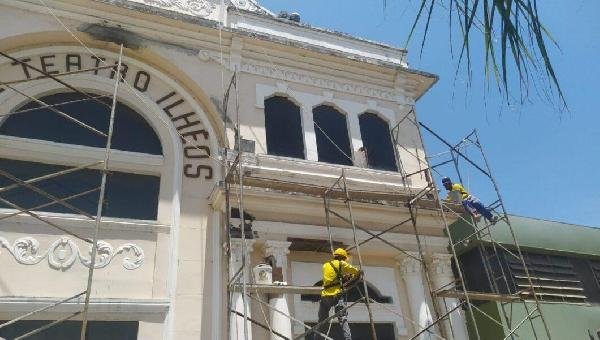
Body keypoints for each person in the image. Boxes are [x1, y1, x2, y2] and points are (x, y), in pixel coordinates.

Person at [316, 248, 361, 340]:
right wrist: (349, 277)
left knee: (322, 321)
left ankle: (318, 338)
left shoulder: (325, 265)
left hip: (325, 296)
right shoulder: (342, 264)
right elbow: (357, 272)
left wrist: (342, 276)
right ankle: (348, 339)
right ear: (343, 258)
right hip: (337, 295)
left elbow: (331, 277)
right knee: (343, 319)